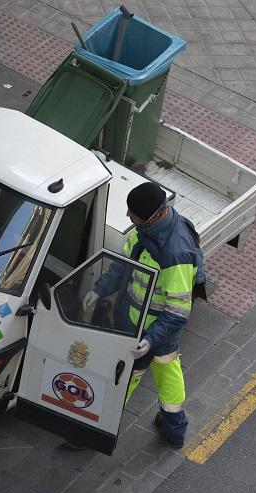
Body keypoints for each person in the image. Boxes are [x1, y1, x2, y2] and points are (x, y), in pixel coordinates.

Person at [82, 181, 204, 448]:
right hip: (137, 324)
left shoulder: (175, 253)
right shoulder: (144, 230)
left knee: (122, 379)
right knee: (167, 373)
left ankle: (97, 428)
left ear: (155, 215)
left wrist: (150, 339)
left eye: (133, 213)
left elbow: (177, 310)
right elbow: (122, 266)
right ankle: (174, 430)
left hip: (149, 333)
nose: (128, 216)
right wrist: (100, 290)